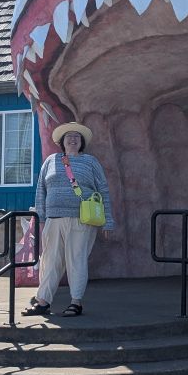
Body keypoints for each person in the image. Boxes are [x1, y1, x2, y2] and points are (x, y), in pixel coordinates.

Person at [23, 121, 114, 317]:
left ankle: (76, 302)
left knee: (76, 260)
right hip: (53, 219)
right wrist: (41, 217)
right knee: (50, 260)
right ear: (62, 141)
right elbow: (41, 191)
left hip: (81, 219)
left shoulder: (90, 162)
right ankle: (43, 302)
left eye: (76, 136)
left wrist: (108, 220)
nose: (72, 139)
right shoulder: (51, 161)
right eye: (69, 136)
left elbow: (103, 190)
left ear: (81, 142)